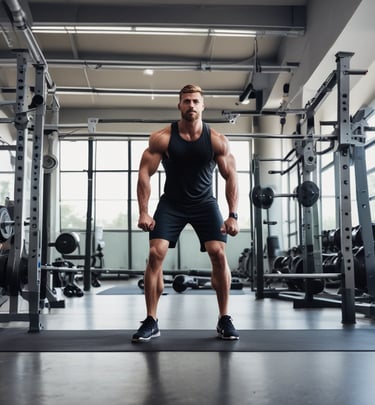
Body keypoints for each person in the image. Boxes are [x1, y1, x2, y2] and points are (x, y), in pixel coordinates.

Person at [132, 84, 240, 342]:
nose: (191, 105)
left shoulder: (216, 140)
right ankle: (151, 319)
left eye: (195, 102)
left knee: (218, 252)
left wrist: (233, 214)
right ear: (179, 106)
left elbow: (231, 176)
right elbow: (144, 173)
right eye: (186, 101)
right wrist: (144, 212)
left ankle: (224, 318)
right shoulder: (162, 138)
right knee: (155, 253)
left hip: (205, 203)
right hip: (172, 204)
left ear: (202, 106)